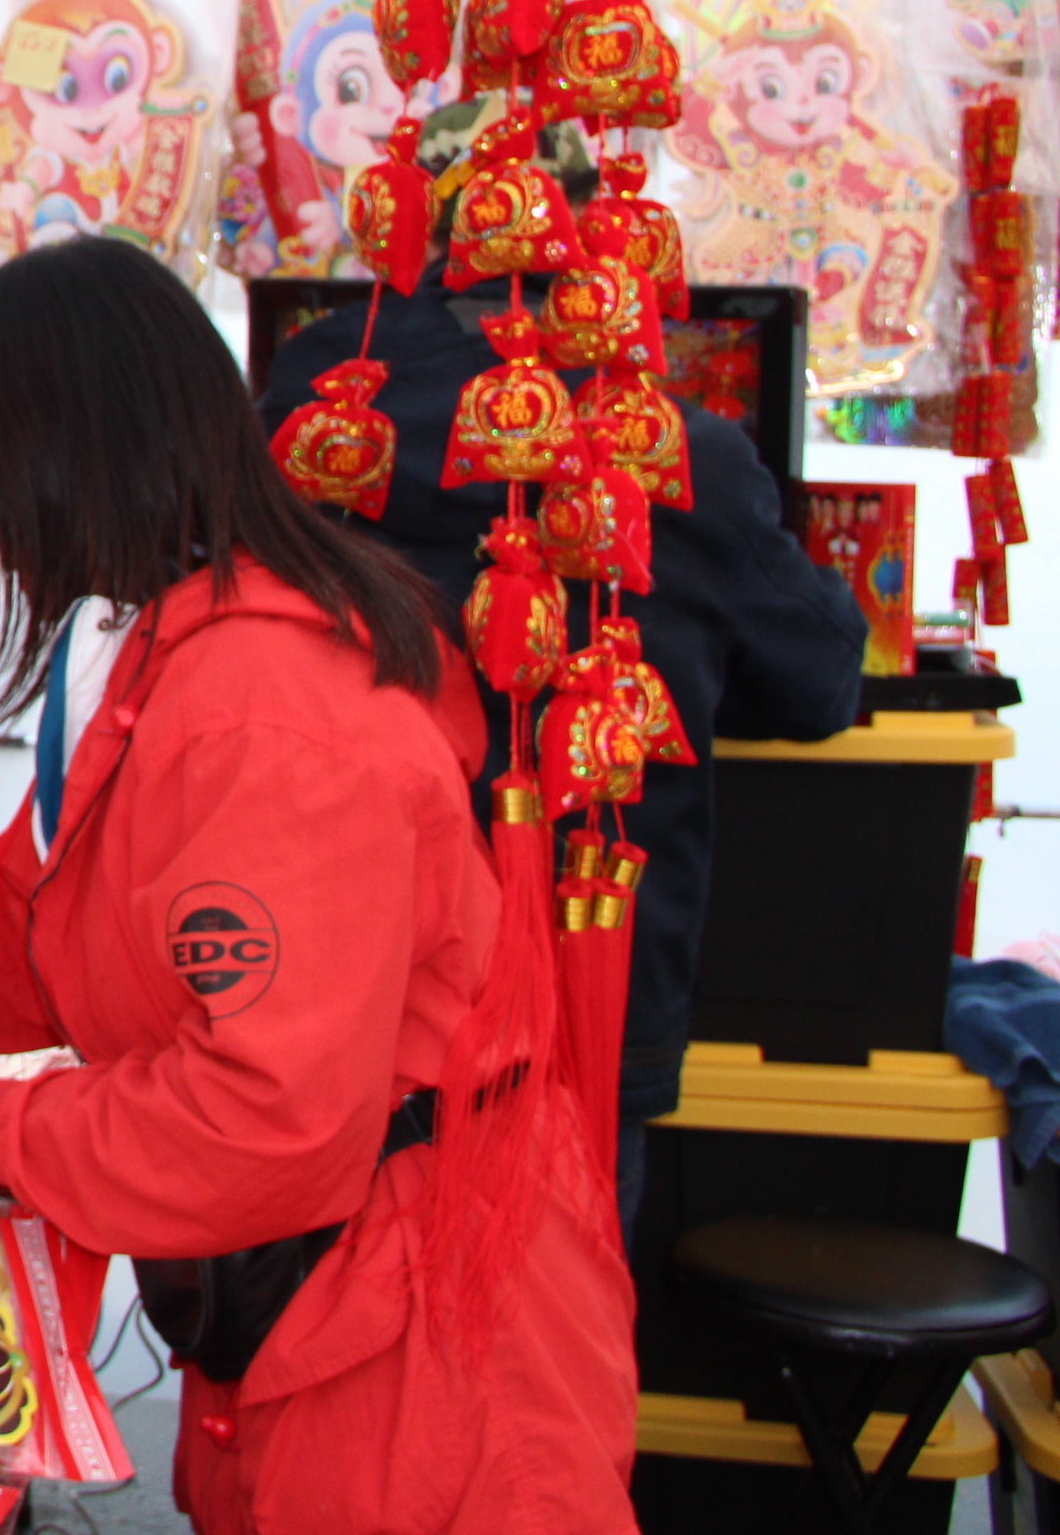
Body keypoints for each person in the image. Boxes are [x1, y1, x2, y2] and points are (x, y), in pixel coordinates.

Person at [0, 239, 634, 1533]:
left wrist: (7, 1131)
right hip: (321, 1309)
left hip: (427, 1350)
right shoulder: (172, 654)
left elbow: (264, 1123)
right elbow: (13, 940)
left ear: (68, 455)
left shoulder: (267, 717)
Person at [257, 102, 866, 1229]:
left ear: (420, 229)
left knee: (323, 1324)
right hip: (586, 967)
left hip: (331, 951)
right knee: (551, 1336)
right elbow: (823, 683)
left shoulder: (310, 399)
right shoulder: (688, 455)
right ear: (595, 232)